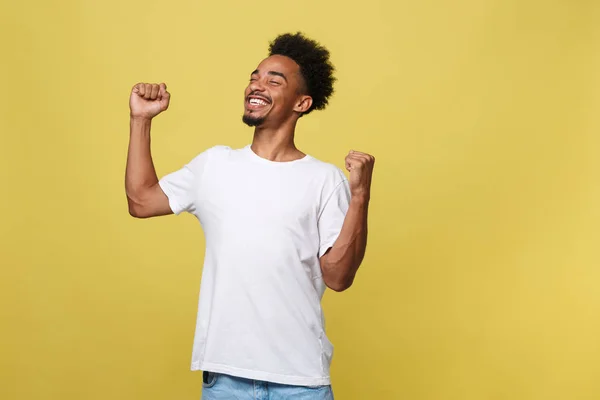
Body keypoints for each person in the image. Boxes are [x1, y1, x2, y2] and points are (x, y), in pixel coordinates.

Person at [125, 32, 375, 399]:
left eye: (275, 80)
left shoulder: (324, 179)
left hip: (301, 382)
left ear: (302, 103)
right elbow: (141, 201)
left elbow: (338, 277)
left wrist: (360, 197)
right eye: (255, 76)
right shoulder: (215, 165)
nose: (257, 85)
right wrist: (140, 119)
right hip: (226, 380)